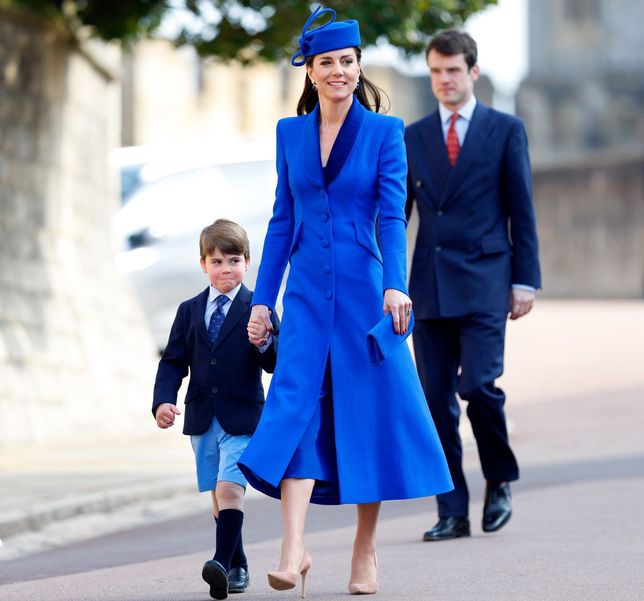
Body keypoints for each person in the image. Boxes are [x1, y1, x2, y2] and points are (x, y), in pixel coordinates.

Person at [238, 5, 452, 597]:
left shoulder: (385, 134)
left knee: (368, 417)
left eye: (347, 61)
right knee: (296, 408)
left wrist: (395, 284)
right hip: (306, 296)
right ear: (310, 71)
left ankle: (365, 550)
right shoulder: (289, 134)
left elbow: (390, 216)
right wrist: (263, 299)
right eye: (326, 62)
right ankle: (292, 550)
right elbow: (283, 220)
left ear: (360, 67)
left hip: (365, 295)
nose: (338, 71)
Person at [404, 30, 541, 542]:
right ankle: (452, 509)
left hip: (487, 279)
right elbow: (398, 219)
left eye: (453, 71)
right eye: (436, 72)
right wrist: (389, 283)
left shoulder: (505, 129)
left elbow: (521, 211)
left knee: (478, 388)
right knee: (435, 400)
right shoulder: (412, 136)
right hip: (430, 284)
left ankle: (500, 478)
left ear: (473, 72)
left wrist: (525, 279)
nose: (444, 81)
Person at [152, 219, 279, 599]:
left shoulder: (260, 308)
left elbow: (275, 362)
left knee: (230, 489)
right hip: (201, 416)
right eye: (218, 261)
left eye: (234, 260)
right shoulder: (189, 311)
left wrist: (263, 343)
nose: (226, 269)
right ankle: (237, 565)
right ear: (203, 265)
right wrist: (163, 400)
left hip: (242, 416)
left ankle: (220, 562)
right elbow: (173, 361)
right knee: (217, 495)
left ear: (248, 261)